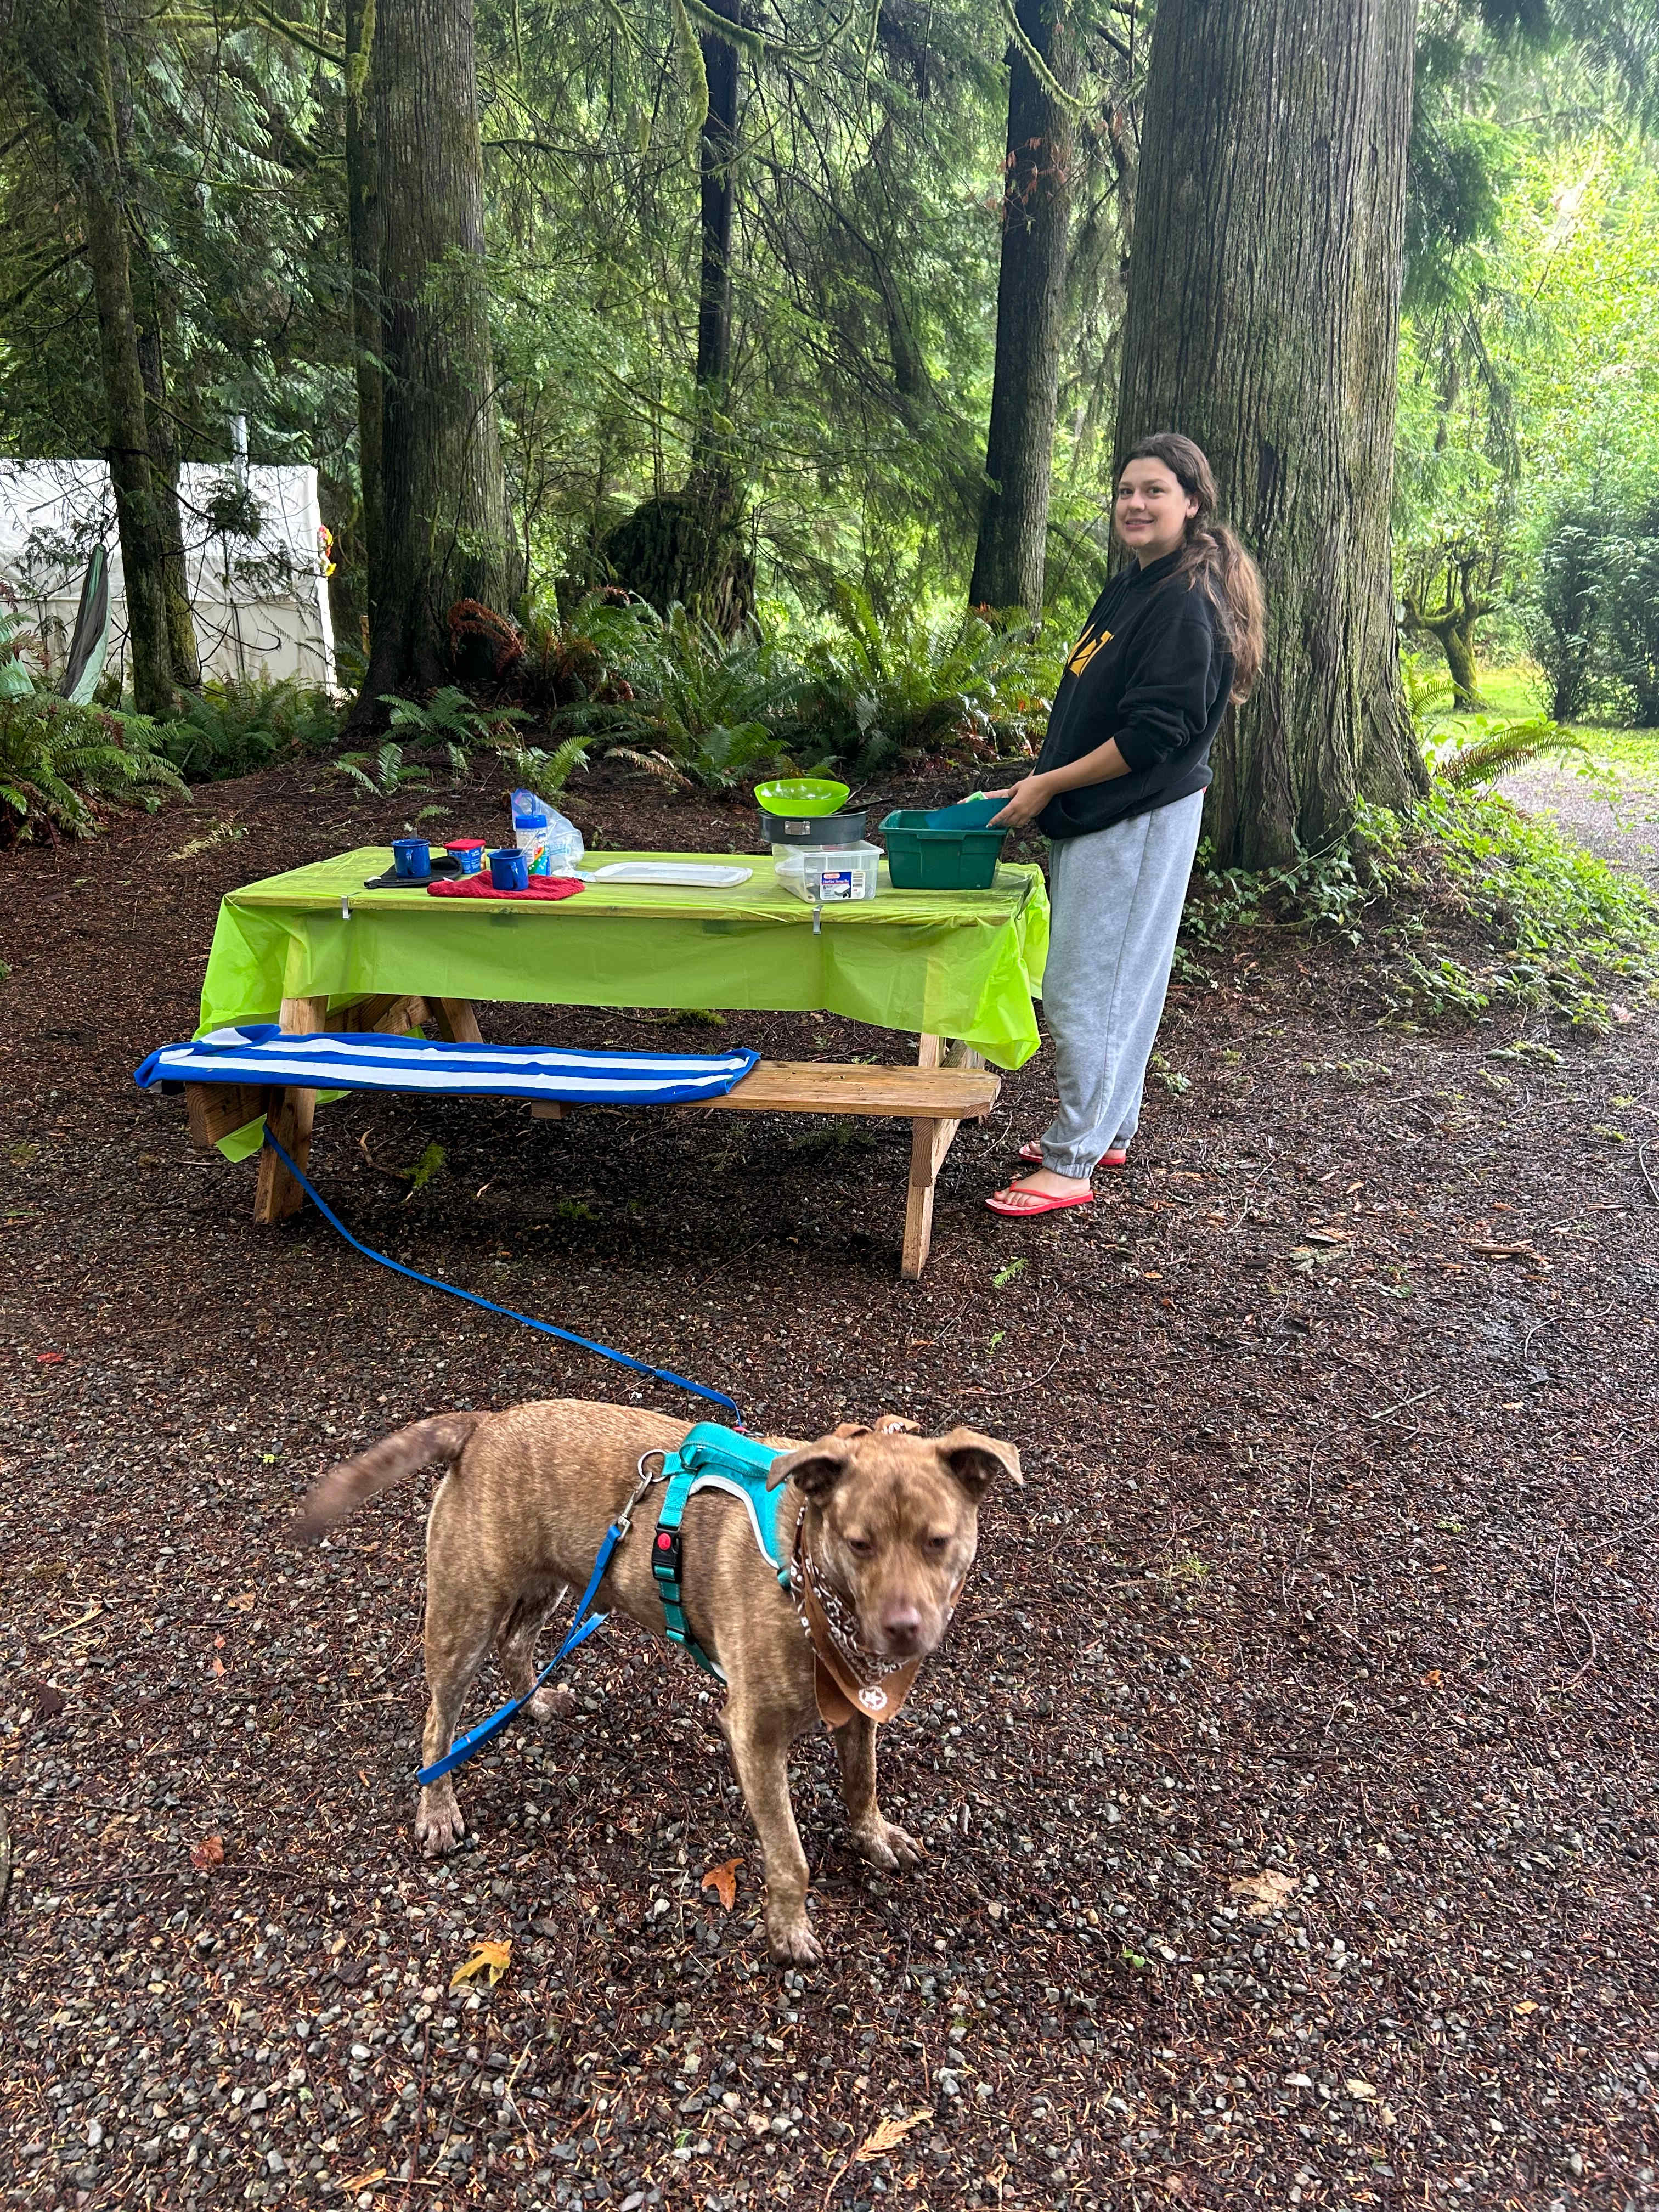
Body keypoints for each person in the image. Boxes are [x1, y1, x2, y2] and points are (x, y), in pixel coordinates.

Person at [983, 432, 1265, 1217]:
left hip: (1133, 821)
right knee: (1113, 984)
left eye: (1154, 491)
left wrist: (1048, 784)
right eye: (1125, 491)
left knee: (1090, 990)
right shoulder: (1137, 584)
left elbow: (1152, 737)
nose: (1134, 505)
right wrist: (1046, 780)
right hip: (1096, 812)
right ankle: (1108, 1130)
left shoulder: (1183, 603)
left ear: (1192, 503)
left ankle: (1073, 1163)